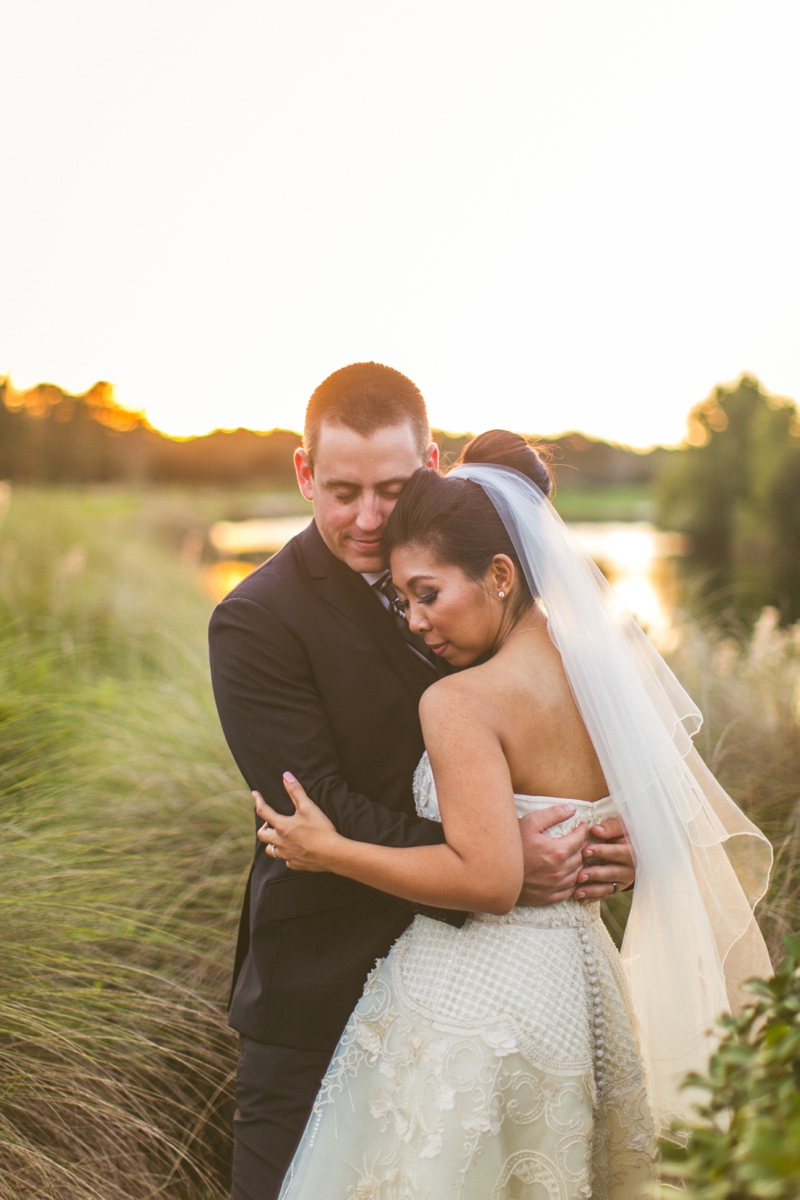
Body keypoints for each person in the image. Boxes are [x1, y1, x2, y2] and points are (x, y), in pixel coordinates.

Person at [255, 433, 773, 1200]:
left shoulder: (461, 702)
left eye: (428, 594)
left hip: (476, 1010)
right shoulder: (604, 676)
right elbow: (649, 818)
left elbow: (491, 880)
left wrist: (333, 851)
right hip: (584, 995)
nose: (415, 623)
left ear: (500, 574)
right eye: (403, 601)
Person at [209, 368, 636, 1200]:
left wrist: (611, 840)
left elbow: (560, 737)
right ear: (304, 475)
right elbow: (315, 800)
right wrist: (495, 869)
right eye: (341, 492)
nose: (368, 518)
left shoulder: (476, 570)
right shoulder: (256, 619)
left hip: (493, 1004)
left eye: (391, 489)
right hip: (318, 993)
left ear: (432, 466)